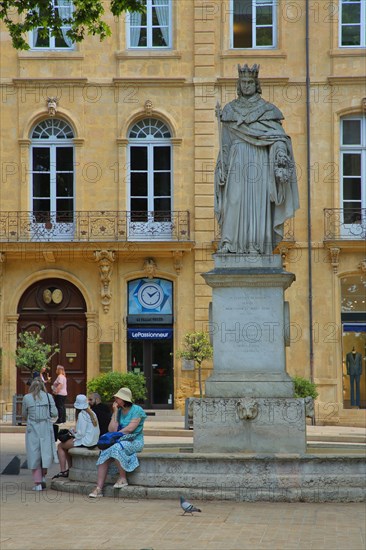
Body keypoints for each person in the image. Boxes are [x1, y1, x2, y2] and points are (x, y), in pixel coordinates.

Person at [215, 63, 299, 255]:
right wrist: (222, 167)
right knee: (233, 200)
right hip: (236, 161)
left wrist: (280, 156)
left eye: (250, 82)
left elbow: (278, 138)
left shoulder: (268, 110)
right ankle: (229, 243)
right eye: (243, 82)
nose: (246, 86)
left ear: (256, 84)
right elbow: (225, 144)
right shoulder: (229, 110)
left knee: (257, 204)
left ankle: (256, 244)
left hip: (259, 160)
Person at [88, 387, 147, 498]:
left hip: (134, 441)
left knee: (116, 448)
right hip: (119, 440)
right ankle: (99, 488)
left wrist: (116, 434)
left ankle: (123, 478)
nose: (115, 399)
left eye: (117, 397)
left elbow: (130, 429)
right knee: (104, 453)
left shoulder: (137, 410)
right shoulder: (118, 411)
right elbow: (111, 430)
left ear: (124, 399)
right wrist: (115, 413)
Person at [21, 378, 58, 491]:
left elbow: (23, 414)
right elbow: (54, 413)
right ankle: (42, 476)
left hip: (33, 427)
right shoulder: (48, 396)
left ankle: (38, 482)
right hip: (46, 427)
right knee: (45, 453)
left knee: (34, 453)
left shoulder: (27, 397)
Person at [52, 394, 100, 479]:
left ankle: (63, 470)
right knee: (67, 445)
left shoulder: (82, 415)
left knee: (60, 446)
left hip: (85, 441)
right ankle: (70, 468)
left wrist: (72, 433)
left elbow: (80, 434)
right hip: (93, 440)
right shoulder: (92, 413)